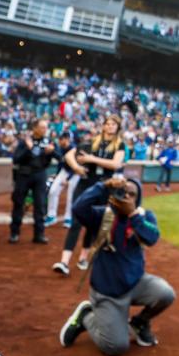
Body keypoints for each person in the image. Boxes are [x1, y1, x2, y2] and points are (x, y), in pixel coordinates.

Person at [59, 176, 175, 355]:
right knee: (116, 346)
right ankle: (87, 317)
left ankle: (139, 322)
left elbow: (152, 237)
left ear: (138, 199)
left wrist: (133, 215)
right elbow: (78, 208)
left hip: (135, 283)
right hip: (107, 292)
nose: (127, 197)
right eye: (122, 193)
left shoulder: (144, 216)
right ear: (114, 196)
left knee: (165, 293)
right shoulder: (102, 215)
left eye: (132, 194)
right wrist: (103, 186)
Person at [53, 115, 125, 276]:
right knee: (76, 221)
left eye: (114, 124)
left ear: (118, 128)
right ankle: (64, 262)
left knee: (94, 223)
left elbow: (115, 164)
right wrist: (76, 168)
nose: (110, 126)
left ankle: (83, 257)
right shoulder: (92, 142)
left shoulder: (120, 145)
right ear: (104, 126)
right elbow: (69, 155)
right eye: (108, 123)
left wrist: (92, 159)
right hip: (85, 184)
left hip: (104, 187)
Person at [9, 118, 57, 245]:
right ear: (35, 128)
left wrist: (53, 150)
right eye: (42, 127)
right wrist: (28, 149)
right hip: (24, 175)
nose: (44, 130)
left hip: (40, 174)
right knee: (18, 203)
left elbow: (59, 156)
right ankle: (14, 233)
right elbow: (16, 159)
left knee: (40, 205)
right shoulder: (25, 142)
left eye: (45, 128)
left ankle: (39, 234)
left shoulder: (48, 142)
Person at [45, 134, 77, 227]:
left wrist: (68, 179)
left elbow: (76, 166)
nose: (59, 141)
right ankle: (51, 216)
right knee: (53, 191)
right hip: (64, 171)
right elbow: (61, 163)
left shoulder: (74, 148)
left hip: (75, 172)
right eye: (59, 139)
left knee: (71, 195)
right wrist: (58, 174)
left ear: (67, 139)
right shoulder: (61, 148)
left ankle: (69, 218)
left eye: (61, 139)